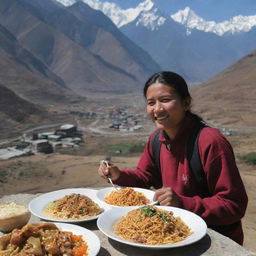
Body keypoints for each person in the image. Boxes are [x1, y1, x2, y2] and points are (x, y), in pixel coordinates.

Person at [98, 71, 248, 245]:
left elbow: (233, 205)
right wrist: (118, 175)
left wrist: (182, 203)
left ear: (186, 102)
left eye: (165, 100)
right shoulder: (157, 139)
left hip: (212, 240)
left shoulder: (210, 142)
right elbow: (145, 177)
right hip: (176, 234)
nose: (157, 109)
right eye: (151, 103)